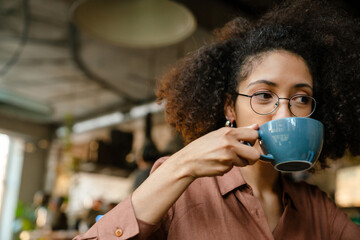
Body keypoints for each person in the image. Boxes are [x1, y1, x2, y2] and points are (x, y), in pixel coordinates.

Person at [74, 0, 360, 239]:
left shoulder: (315, 208)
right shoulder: (179, 184)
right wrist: (182, 165)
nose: (285, 114)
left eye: (301, 99)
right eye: (263, 95)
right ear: (230, 108)